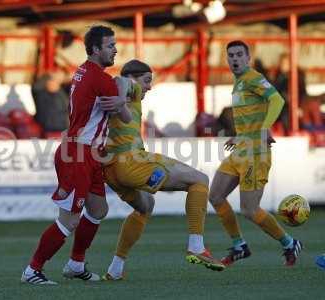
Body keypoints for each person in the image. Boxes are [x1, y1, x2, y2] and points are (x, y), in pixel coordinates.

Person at [21, 25, 132, 285]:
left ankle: (75, 264)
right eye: (110, 45)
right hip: (78, 154)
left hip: (89, 154)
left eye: (115, 45)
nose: (115, 49)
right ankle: (32, 270)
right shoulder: (99, 78)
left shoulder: (84, 71)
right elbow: (125, 118)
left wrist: (119, 91)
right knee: (69, 220)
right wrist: (124, 92)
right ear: (95, 49)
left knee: (98, 209)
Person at [101, 59, 225, 281]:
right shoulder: (128, 88)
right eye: (147, 80)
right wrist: (122, 96)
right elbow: (121, 80)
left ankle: (115, 268)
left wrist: (119, 98)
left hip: (110, 171)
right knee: (200, 180)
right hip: (132, 162)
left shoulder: (109, 95)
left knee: (145, 206)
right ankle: (196, 246)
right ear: (135, 79)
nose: (149, 86)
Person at [209, 40, 302, 267]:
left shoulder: (252, 78)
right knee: (215, 196)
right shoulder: (239, 83)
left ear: (248, 58)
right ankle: (240, 245)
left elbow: (277, 99)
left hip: (256, 154)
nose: (234, 59)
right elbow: (252, 116)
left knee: (249, 210)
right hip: (241, 150)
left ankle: (289, 243)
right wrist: (240, 136)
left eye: (239, 54)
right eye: (230, 55)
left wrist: (263, 129)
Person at [273, 53, 307, 134]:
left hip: (295, 106)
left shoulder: (298, 75)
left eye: (285, 63)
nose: (282, 65)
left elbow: (303, 93)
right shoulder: (279, 75)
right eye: (281, 63)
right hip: (283, 105)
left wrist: (299, 107)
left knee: (290, 118)